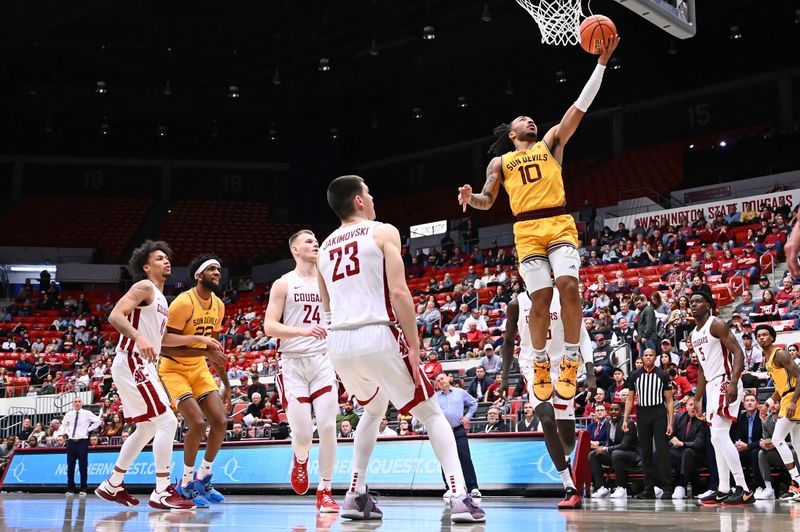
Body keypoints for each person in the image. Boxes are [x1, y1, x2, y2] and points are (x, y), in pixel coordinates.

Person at [458, 36, 619, 415]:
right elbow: (487, 200)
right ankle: (543, 362)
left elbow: (580, 106)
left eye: (531, 119)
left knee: (569, 286)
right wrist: (470, 199)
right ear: (512, 135)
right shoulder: (499, 163)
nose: (530, 120)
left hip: (559, 222)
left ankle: (571, 360)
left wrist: (600, 64)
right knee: (541, 300)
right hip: (526, 230)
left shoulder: (551, 143)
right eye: (522, 120)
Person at [318, 175, 485, 523]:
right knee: (431, 413)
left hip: (339, 342)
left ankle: (355, 494)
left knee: (374, 408)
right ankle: (459, 496)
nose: (373, 197)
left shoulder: (323, 247)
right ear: (359, 201)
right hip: (375, 332)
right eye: (369, 192)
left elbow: (326, 306)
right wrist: (413, 343)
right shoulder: (382, 231)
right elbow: (398, 292)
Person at [95, 240, 197, 511]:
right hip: (131, 359)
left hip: (142, 364)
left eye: (167, 258)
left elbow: (162, 339)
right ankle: (162, 490)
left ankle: (113, 483)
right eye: (160, 258)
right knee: (166, 421)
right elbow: (115, 316)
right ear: (146, 266)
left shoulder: (163, 299)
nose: (167, 261)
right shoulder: (143, 287)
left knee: (148, 427)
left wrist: (201, 343)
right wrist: (138, 337)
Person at [264, 229, 339, 513]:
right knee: (304, 435)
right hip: (292, 363)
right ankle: (300, 456)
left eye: (316, 241)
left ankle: (326, 489)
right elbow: (269, 327)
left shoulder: (329, 281)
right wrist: (303, 331)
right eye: (308, 241)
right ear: (295, 250)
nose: (315, 244)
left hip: (322, 360)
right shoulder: (284, 284)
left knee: (329, 426)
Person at [499, 286, 594, 509]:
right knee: (546, 418)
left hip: (563, 367)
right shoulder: (516, 304)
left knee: (568, 442)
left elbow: (582, 335)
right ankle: (569, 486)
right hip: (533, 365)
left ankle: (566, 460)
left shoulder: (561, 296)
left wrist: (590, 372)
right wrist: (504, 377)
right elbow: (509, 342)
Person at [158, 253, 229, 508]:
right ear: (199, 276)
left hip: (198, 369)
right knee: (197, 423)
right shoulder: (183, 303)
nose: (217, 273)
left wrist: (227, 386)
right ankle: (186, 483)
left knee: (220, 421)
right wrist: (204, 351)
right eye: (212, 269)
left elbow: (216, 353)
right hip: (173, 369)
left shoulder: (219, 305)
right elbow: (165, 346)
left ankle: (203, 476)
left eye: (219, 269)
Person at [689, 292, 753, 505]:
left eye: (698, 301)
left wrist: (734, 381)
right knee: (717, 438)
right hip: (711, 385)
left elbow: (738, 352)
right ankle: (724, 488)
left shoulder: (716, 324)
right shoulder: (694, 334)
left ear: (708, 304)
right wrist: (697, 397)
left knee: (718, 436)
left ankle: (744, 488)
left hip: (726, 380)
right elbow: (701, 369)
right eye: (691, 302)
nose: (693, 304)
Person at [622, 348, 674, 499]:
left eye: (651, 355)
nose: (648, 358)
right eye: (646, 355)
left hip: (658, 413)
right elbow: (630, 399)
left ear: (655, 357)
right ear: (642, 358)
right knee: (645, 452)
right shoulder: (635, 375)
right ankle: (648, 488)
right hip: (642, 414)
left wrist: (671, 422)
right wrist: (625, 419)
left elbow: (669, 401)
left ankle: (667, 488)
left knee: (662, 451)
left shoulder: (663, 374)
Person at [756, 324, 800, 501]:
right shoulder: (767, 360)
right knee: (797, 446)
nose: (761, 338)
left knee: (777, 439)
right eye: (758, 335)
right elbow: (779, 387)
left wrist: (793, 401)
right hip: (786, 397)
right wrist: (768, 402)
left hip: (794, 398)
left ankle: (796, 482)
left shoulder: (780, 354)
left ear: (772, 338)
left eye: (765, 334)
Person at [435, 372, 481, 499]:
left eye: (442, 378)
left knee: (465, 458)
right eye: (438, 380)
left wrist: (467, 417)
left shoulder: (460, 392)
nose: (441, 381)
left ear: (449, 378)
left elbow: (474, 404)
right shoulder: (435, 397)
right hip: (443, 432)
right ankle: (450, 488)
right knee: (445, 460)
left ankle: (473, 488)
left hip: (458, 429)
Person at [589, 402, 640, 498]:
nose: (613, 412)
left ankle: (622, 488)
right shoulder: (609, 424)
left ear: (622, 412)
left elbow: (624, 445)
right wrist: (603, 448)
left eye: (616, 410)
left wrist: (606, 448)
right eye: (611, 410)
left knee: (616, 454)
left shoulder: (629, 424)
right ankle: (601, 487)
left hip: (632, 454)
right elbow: (610, 443)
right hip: (616, 454)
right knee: (593, 454)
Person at [668, 398, 707, 499]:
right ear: (686, 407)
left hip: (697, 454)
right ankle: (660, 486)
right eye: (690, 405)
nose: (693, 407)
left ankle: (680, 486)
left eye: (695, 405)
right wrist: (673, 441)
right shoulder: (678, 417)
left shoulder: (702, 420)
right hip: (680, 451)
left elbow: (699, 443)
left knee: (687, 452)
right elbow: (671, 435)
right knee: (662, 453)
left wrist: (682, 444)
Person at [62, 396, 101, 495]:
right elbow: (64, 424)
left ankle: (83, 488)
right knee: (70, 466)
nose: (77, 403)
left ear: (82, 403)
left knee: (83, 466)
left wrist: (88, 429)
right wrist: (67, 432)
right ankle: (70, 488)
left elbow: (98, 421)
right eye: (75, 401)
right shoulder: (69, 414)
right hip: (71, 441)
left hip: (82, 441)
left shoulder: (87, 413)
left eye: (79, 401)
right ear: (72, 403)